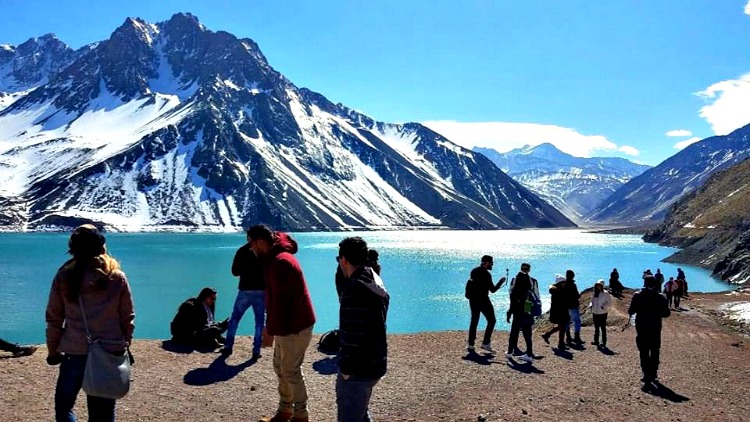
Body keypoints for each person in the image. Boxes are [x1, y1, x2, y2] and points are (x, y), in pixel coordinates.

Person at [45, 224, 135, 422]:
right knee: (102, 413)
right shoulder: (117, 277)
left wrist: (53, 351)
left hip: (74, 353)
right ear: (102, 248)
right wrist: (124, 344)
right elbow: (127, 318)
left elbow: (54, 319)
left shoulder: (63, 277)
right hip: (109, 352)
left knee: (64, 407)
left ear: (72, 249)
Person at [250, 225, 316, 422]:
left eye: (251, 244)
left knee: (290, 370)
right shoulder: (275, 259)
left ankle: (301, 415)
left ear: (261, 242)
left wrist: (270, 330)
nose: (251, 249)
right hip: (289, 324)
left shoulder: (280, 262)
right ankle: (285, 410)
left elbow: (280, 302)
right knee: (280, 367)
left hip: (295, 325)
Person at [336, 237, 389, 422]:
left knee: (350, 414)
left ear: (344, 259)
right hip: (376, 362)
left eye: (339, 259)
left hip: (359, 369)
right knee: (361, 411)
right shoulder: (374, 280)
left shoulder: (354, 288)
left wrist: (346, 369)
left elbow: (352, 333)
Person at [223, 230, 265, 358]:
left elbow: (235, 272)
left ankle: (228, 347)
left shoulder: (242, 251)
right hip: (261, 291)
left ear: (248, 238)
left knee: (235, 319)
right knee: (259, 322)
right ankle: (256, 351)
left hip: (245, 290)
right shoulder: (265, 252)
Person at [628, 275, 670, 384]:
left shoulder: (637, 295)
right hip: (655, 326)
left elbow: (631, 311)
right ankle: (654, 372)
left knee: (643, 349)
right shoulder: (661, 297)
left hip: (641, 325)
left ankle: (646, 373)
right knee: (655, 349)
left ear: (644, 283)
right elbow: (666, 313)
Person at [464, 255, 506, 353]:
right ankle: (486, 343)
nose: (492, 265)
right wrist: (501, 281)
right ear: (487, 263)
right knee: (492, 320)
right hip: (483, 300)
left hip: (473, 300)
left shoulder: (474, 271)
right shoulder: (486, 274)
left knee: (474, 320)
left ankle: (471, 344)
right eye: (491, 263)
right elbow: (493, 290)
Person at [506, 263, 534, 363]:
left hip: (518, 313)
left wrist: (509, 313)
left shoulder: (515, 291)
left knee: (514, 333)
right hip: (528, 313)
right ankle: (529, 354)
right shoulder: (529, 291)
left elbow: (512, 304)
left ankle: (509, 352)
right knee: (527, 334)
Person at [541, 275, 570, 350]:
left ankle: (547, 335)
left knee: (562, 327)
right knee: (562, 327)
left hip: (560, 311)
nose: (565, 283)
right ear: (559, 283)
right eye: (563, 282)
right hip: (560, 311)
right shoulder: (558, 290)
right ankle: (561, 344)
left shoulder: (557, 289)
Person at [589, 279, 612, 348]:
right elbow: (591, 301)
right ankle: (596, 341)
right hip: (595, 312)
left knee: (603, 328)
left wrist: (603, 306)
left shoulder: (606, 293)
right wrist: (590, 305)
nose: (598, 287)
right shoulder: (594, 293)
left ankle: (604, 342)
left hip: (603, 313)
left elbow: (609, 302)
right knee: (596, 328)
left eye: (600, 285)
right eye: (597, 285)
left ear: (602, 286)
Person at [563, 269, 583, 344]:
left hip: (565, 306)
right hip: (573, 305)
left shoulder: (564, 284)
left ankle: (568, 337)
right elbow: (577, 295)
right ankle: (576, 337)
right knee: (576, 321)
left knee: (567, 322)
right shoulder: (573, 285)